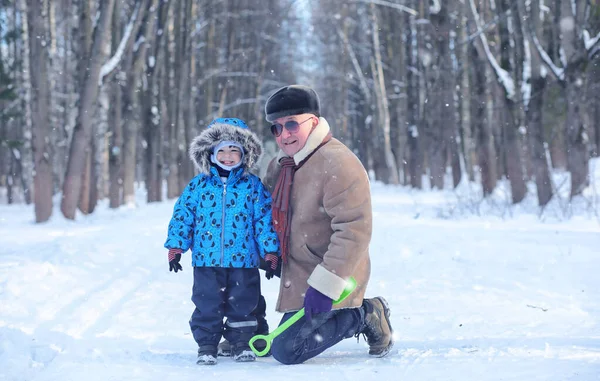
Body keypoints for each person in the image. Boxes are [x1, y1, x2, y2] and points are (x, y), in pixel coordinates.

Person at [261, 85, 394, 365]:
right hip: (299, 276)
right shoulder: (281, 165)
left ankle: (366, 313)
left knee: (288, 349)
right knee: (282, 343)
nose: (284, 134)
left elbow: (353, 230)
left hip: (336, 277)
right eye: (277, 128)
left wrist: (325, 285)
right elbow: (260, 209)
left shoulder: (338, 162)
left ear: (314, 121)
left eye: (292, 124)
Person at [164, 117, 280, 365]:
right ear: (210, 153)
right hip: (207, 260)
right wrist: (176, 246)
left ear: (244, 154)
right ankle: (207, 344)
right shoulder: (198, 186)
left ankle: (241, 343)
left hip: (244, 260)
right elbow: (183, 216)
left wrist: (270, 252)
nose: (228, 156)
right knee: (207, 303)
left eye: (234, 150)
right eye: (222, 150)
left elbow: (264, 221)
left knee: (244, 303)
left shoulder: (252, 187)